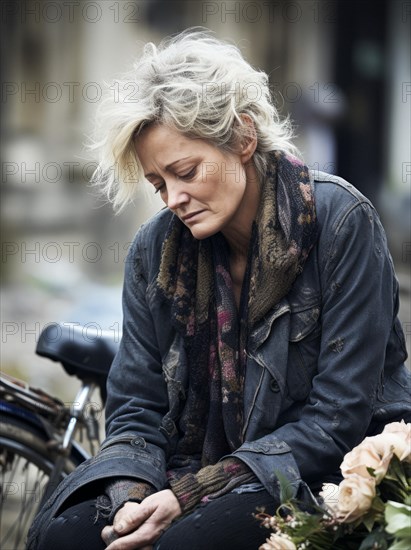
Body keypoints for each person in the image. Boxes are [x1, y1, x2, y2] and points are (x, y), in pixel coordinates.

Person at [28, 29, 410, 550]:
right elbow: (136, 403)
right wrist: (132, 497)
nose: (174, 199)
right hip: (199, 466)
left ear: (243, 137)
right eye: (159, 184)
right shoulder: (154, 249)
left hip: (319, 469)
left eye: (186, 172)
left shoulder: (342, 223)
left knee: (186, 543)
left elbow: (336, 419)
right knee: (68, 538)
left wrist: (187, 496)